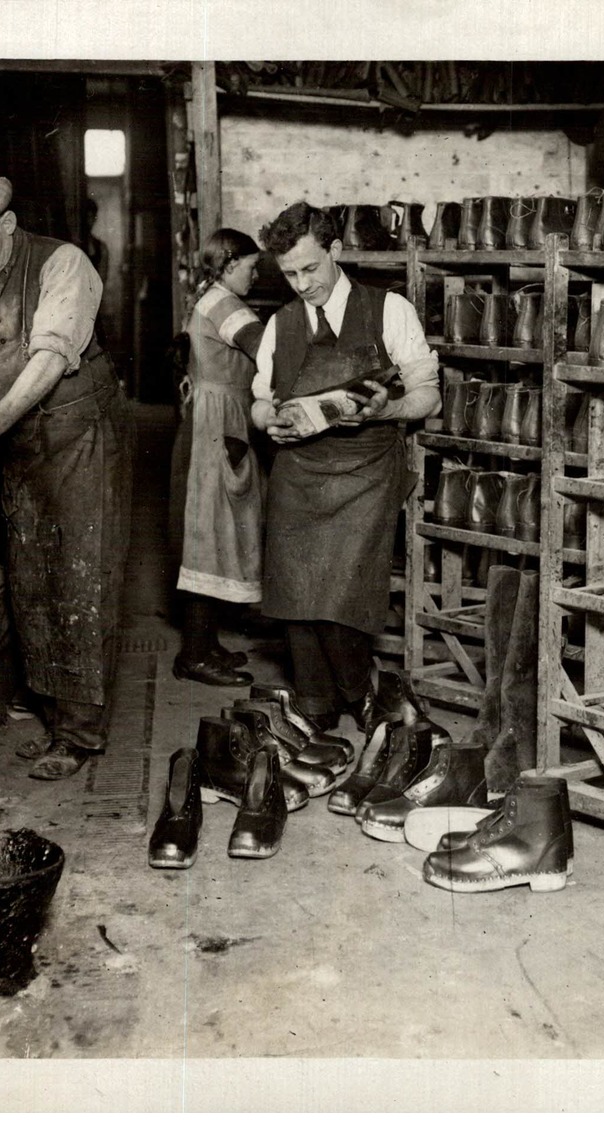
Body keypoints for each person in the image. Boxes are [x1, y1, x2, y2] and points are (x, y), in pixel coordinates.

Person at [0, 172, 133, 781]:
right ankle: (52, 711)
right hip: (22, 438)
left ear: (8, 226)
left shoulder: (62, 263)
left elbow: (51, 353)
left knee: (81, 575)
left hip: (80, 433)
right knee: (34, 576)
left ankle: (81, 734)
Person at [250, 201, 440, 733]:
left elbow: (428, 394)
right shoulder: (280, 323)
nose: (301, 283)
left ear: (335, 251)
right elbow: (259, 401)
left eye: (310, 268)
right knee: (293, 597)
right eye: (289, 273)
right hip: (299, 470)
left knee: (341, 599)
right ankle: (315, 703)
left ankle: (361, 691)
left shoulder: (389, 309)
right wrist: (272, 421)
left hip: (366, 469)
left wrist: (392, 408)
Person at [172, 228, 266, 686]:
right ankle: (194, 654)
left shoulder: (211, 296)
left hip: (217, 418)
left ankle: (205, 644)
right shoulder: (226, 304)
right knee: (207, 536)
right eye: (250, 267)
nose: (255, 275)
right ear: (229, 265)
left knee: (213, 533)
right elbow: (265, 348)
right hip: (217, 422)